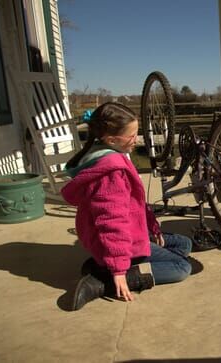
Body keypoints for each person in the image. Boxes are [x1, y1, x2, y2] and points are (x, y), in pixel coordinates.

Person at [62, 102, 192, 311]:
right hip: (122, 242)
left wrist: (151, 226)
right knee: (182, 267)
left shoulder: (111, 153)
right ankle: (103, 280)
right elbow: (111, 222)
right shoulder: (111, 172)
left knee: (184, 244)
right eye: (132, 136)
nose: (136, 140)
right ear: (112, 139)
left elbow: (136, 202)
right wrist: (119, 270)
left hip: (133, 232)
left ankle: (100, 266)